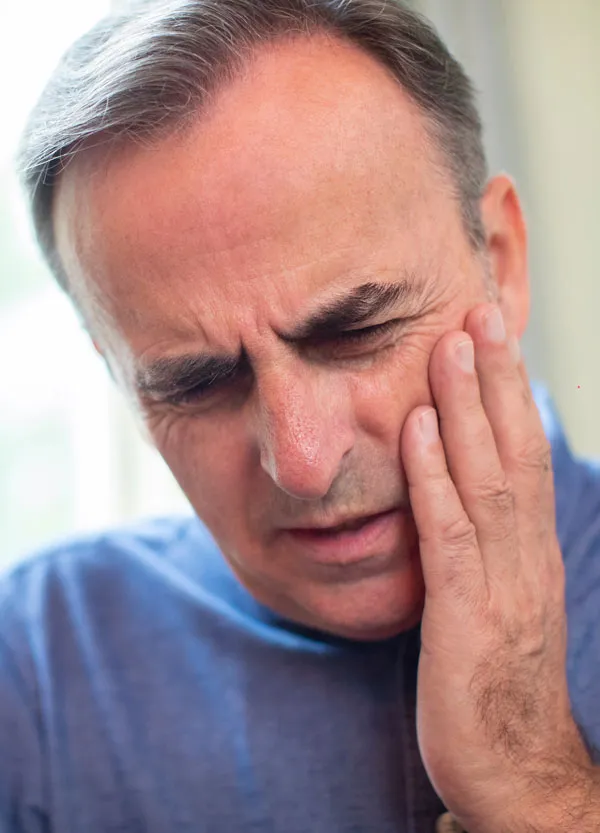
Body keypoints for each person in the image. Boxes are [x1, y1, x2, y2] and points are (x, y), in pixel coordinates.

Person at [2, 0, 599, 830]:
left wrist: (534, 784)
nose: (304, 460)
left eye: (357, 331)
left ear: (499, 262)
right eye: (196, 381)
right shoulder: (29, 672)